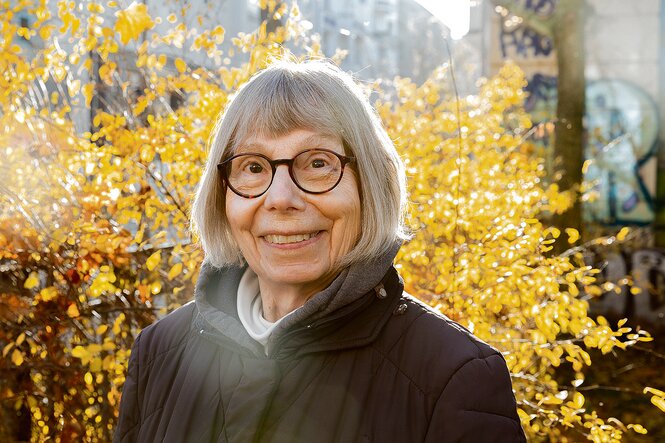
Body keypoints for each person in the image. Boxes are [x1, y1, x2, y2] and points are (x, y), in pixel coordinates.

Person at [114, 59, 526, 442]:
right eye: (253, 167)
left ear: (370, 185)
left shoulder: (453, 377)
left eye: (317, 163)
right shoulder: (158, 353)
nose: (280, 198)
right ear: (222, 194)